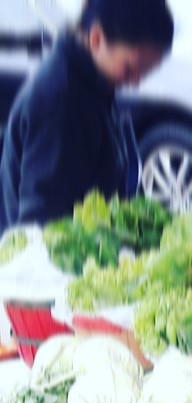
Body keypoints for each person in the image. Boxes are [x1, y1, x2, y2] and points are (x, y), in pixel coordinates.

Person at [0, 0, 174, 232]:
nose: (135, 82)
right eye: (131, 68)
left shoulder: (95, 80)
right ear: (96, 39)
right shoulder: (59, 100)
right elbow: (41, 222)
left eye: (146, 72)